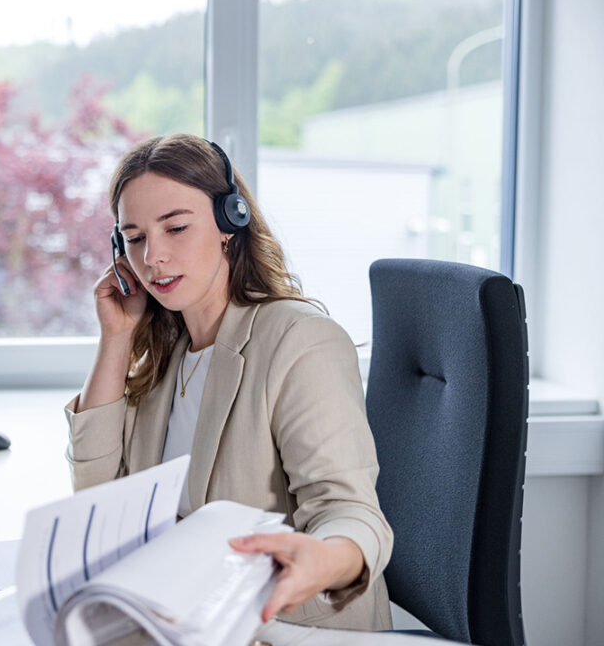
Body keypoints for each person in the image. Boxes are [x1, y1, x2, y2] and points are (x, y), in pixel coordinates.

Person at [64, 134, 393, 631]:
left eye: (175, 227)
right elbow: (99, 500)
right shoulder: (169, 350)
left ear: (229, 223)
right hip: (182, 617)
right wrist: (116, 338)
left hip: (279, 626)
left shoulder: (301, 341)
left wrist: (325, 560)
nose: (152, 257)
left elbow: (347, 508)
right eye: (133, 238)